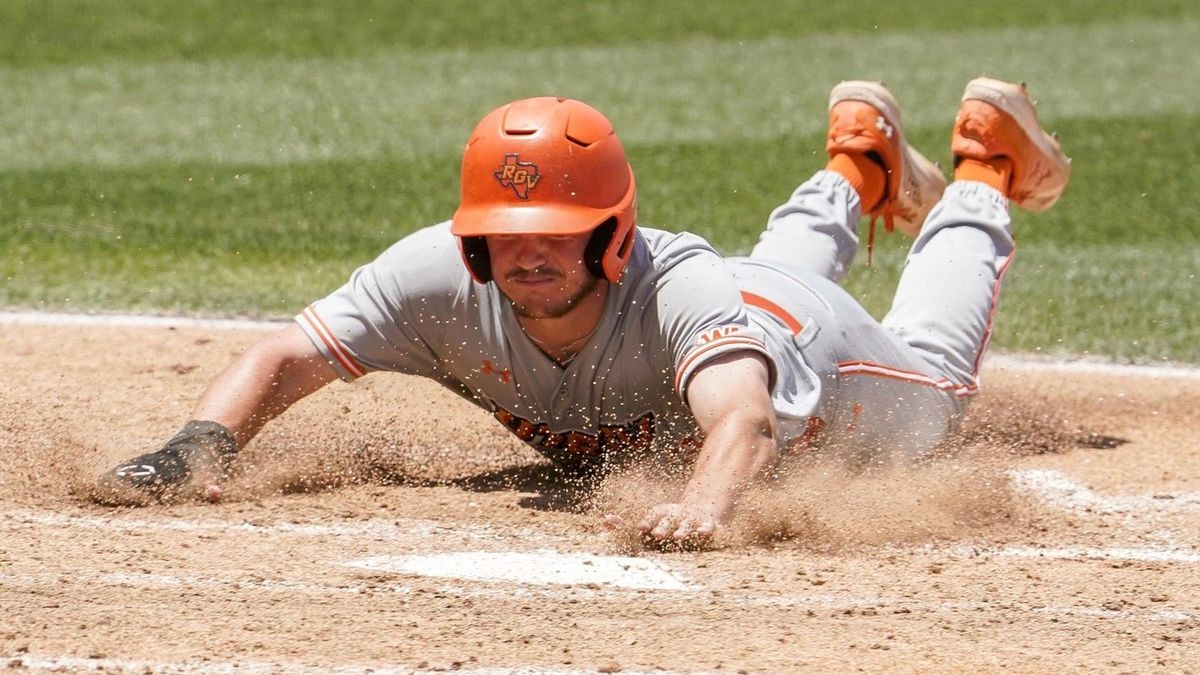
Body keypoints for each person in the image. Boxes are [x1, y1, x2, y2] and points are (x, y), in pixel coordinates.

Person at [98, 77, 1070, 545]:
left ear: (613, 233)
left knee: (938, 389)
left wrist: (704, 506)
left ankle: (984, 172)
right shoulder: (436, 279)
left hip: (809, 343)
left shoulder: (676, 285)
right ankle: (858, 164)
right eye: (505, 231)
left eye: (556, 232)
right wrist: (198, 447)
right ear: (472, 235)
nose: (527, 252)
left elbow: (739, 418)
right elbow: (287, 356)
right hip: (736, 295)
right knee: (745, 280)